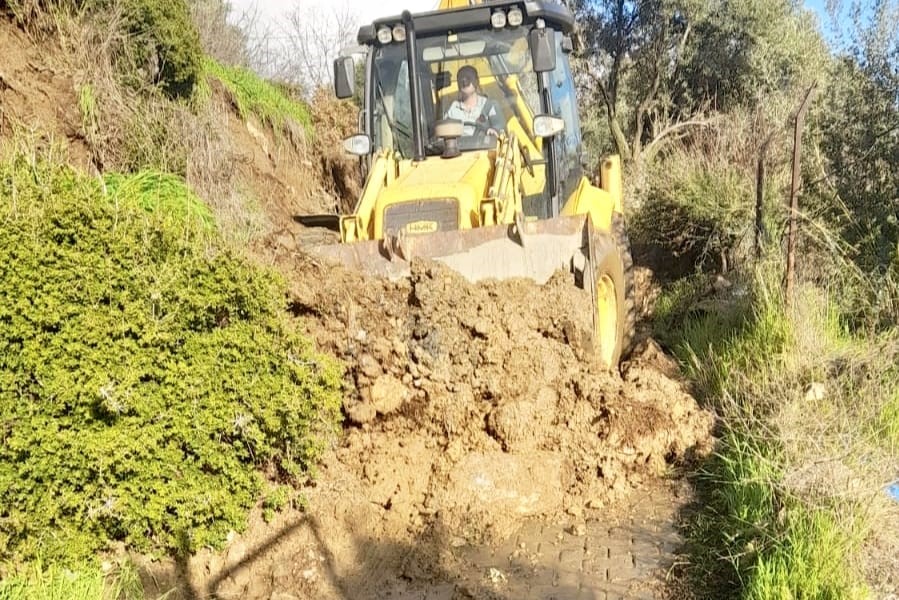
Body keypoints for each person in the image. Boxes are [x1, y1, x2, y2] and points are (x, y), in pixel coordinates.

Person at [444, 65, 504, 138]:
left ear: (477, 81)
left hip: (486, 148)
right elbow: (444, 134)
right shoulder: (452, 110)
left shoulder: (489, 106)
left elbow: (500, 130)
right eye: (461, 79)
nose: (464, 81)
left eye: (468, 78)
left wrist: (494, 131)